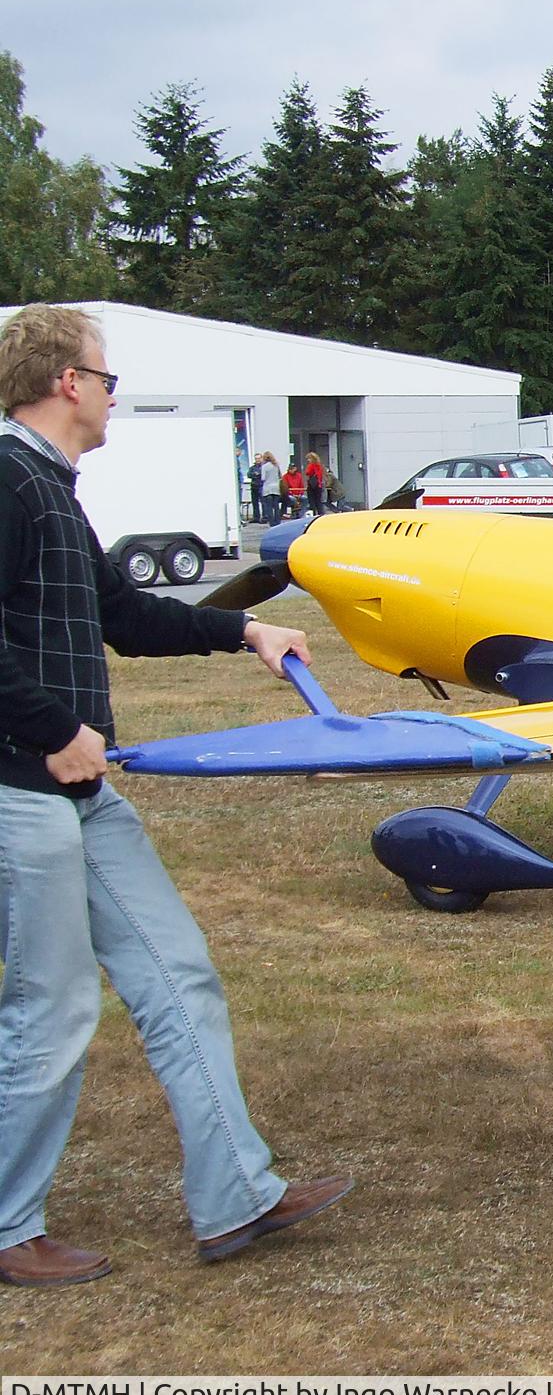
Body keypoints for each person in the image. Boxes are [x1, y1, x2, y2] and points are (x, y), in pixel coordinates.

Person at [0, 305, 352, 1288]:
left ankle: (236, 1191)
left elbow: (119, 617)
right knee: (52, 1008)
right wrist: (53, 730)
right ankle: (4, 1224)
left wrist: (243, 633)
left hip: (78, 790)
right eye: (108, 378)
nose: (115, 395)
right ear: (67, 382)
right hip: (19, 790)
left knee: (178, 974)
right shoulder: (6, 478)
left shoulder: (53, 492)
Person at [257, 450, 282, 526]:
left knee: (269, 507)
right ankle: (277, 521)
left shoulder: (264, 467)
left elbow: (263, 478)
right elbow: (279, 476)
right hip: (276, 488)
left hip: (267, 488)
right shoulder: (276, 465)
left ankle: (272, 523)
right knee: (276, 506)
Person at [304, 452, 326, 516]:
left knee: (312, 501)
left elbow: (307, 472)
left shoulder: (311, 465)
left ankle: (313, 514)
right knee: (318, 501)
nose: (308, 460)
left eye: (308, 458)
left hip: (312, 485)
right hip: (318, 485)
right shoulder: (320, 466)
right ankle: (321, 514)